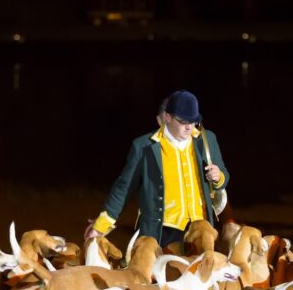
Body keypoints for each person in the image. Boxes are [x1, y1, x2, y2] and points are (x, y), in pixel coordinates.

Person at [86, 90, 229, 250]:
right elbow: (123, 189)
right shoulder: (143, 147)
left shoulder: (207, 139)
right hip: (163, 231)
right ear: (167, 117)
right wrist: (101, 225)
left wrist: (218, 177)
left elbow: (223, 177)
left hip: (201, 229)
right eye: (183, 121)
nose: (189, 127)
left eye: (193, 121)